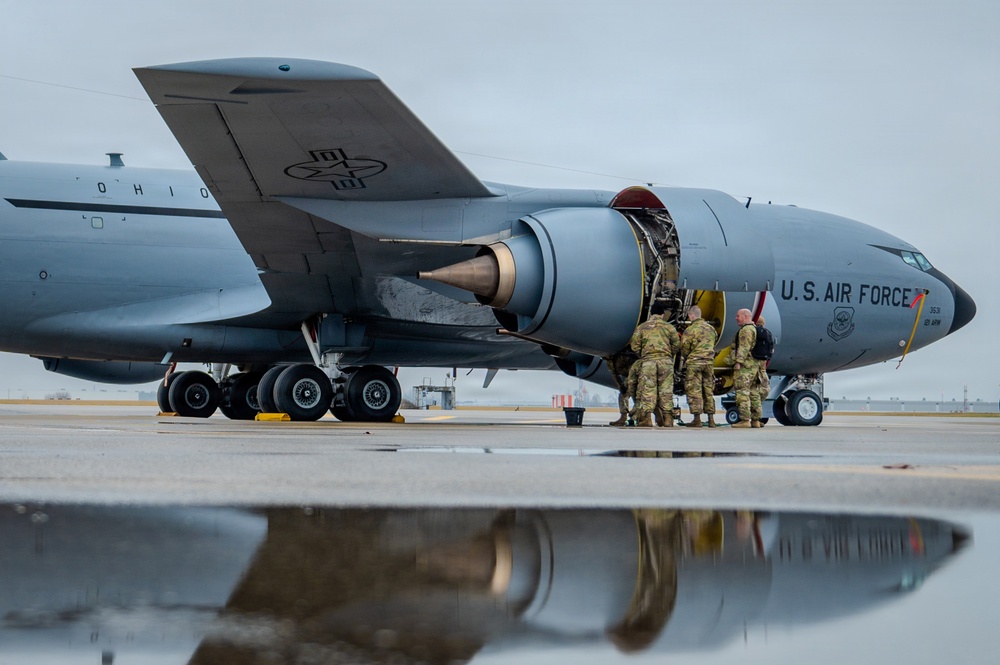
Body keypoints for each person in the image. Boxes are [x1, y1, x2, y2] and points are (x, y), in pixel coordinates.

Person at [629, 301, 680, 427]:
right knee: (666, 390)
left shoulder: (642, 327)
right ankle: (668, 418)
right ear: (662, 314)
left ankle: (646, 419)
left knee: (648, 390)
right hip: (665, 362)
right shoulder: (669, 327)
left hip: (648, 362)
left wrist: (644, 355)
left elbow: (634, 346)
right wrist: (667, 354)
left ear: (651, 313)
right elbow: (676, 345)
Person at [679, 305, 718, 428]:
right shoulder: (711, 329)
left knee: (694, 390)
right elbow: (714, 342)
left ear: (692, 315)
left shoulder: (690, 330)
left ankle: (697, 419)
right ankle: (711, 419)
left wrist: (688, 357)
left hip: (695, 363)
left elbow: (684, 348)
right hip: (709, 363)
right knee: (708, 390)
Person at [728, 308, 762, 428]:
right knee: (753, 393)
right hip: (754, 366)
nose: (736, 318)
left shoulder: (746, 330)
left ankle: (745, 420)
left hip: (745, 367)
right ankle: (756, 420)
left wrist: (738, 362)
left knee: (742, 392)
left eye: (738, 316)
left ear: (746, 316)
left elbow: (744, 347)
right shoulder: (754, 329)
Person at [605, 348, 638, 427]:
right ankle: (623, 417)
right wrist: (620, 386)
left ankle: (635, 417)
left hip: (634, 373)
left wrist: (630, 381)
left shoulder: (622, 357)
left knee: (637, 396)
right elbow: (615, 375)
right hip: (629, 376)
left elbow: (632, 366)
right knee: (623, 395)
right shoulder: (610, 363)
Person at [754, 316, 772, 405]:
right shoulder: (768, 333)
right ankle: (757, 404)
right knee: (764, 388)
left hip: (752, 364)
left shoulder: (751, 332)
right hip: (763, 364)